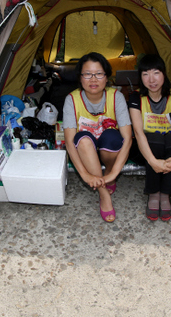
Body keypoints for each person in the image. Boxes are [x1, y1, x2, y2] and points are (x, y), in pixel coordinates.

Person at [63, 52, 133, 222]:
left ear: (107, 77)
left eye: (99, 74)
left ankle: (106, 175)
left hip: (108, 150)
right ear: (80, 78)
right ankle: (104, 194)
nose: (93, 79)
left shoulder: (116, 97)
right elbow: (70, 143)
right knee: (83, 139)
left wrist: (113, 173)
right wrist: (85, 176)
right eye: (87, 74)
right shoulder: (71, 99)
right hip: (87, 149)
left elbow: (128, 138)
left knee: (113, 138)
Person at [129, 54, 171, 221]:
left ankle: (165, 194)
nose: (151, 79)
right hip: (143, 151)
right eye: (145, 74)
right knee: (153, 138)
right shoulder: (136, 98)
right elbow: (139, 133)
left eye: (156, 73)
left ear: (164, 74)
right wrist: (153, 161)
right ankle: (153, 193)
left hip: (168, 149)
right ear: (141, 77)